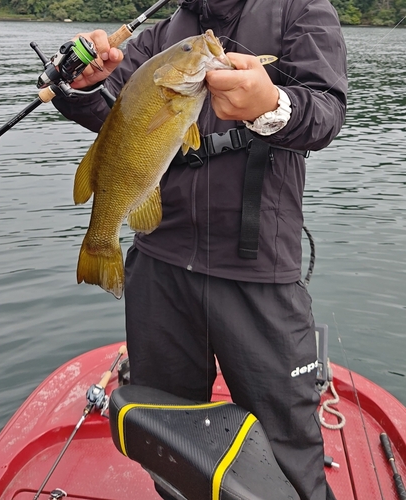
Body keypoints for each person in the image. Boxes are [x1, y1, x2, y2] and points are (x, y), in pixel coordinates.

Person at [53, 1, 347, 498]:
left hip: (256, 271)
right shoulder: (168, 32)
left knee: (287, 447)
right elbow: (121, 120)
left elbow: (327, 113)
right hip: (160, 263)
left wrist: (273, 104)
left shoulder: (301, 11)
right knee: (168, 438)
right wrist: (81, 91)